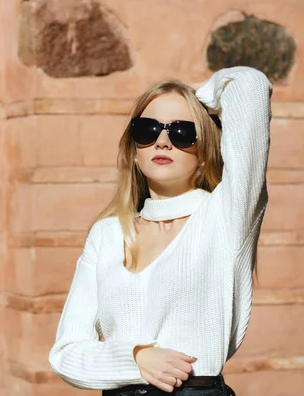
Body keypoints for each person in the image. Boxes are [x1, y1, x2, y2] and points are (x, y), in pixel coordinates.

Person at [48, 66, 272, 396]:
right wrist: (136, 357)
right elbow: (66, 353)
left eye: (182, 132)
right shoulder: (107, 234)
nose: (163, 141)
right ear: (134, 153)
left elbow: (249, 85)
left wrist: (197, 96)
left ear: (204, 150)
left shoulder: (226, 215)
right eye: (147, 130)